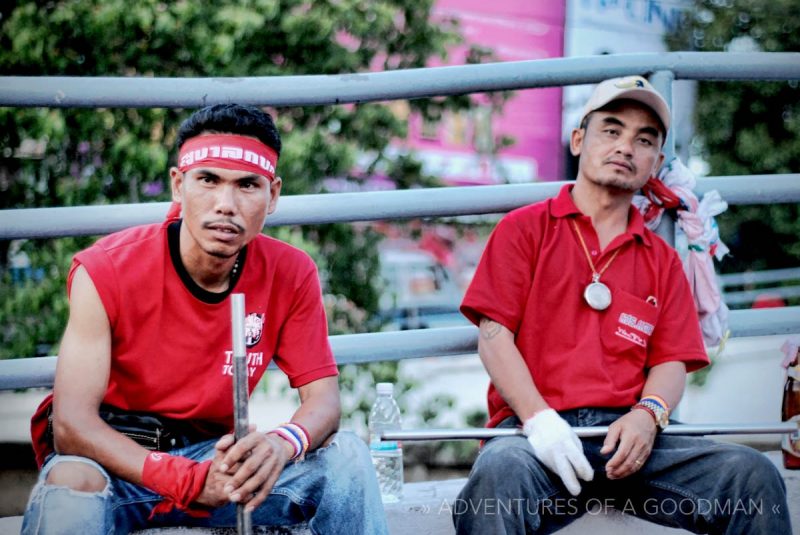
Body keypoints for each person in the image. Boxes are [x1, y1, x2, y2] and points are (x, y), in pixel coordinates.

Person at [22, 104, 388, 535]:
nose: (226, 204)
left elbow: (324, 402)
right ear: (179, 184)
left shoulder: (290, 271)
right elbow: (71, 426)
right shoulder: (107, 269)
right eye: (208, 180)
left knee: (346, 456)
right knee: (70, 482)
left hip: (218, 464)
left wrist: (279, 444)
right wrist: (184, 480)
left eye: (248, 185)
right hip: (119, 461)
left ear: (272, 197)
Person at [453, 76, 791, 534]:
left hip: (633, 438)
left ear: (654, 162)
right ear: (579, 140)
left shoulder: (662, 260)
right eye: (611, 130)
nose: (626, 146)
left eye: (644, 139)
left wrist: (647, 416)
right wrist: (539, 422)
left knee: (752, 476)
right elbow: (493, 339)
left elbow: (672, 362)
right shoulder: (524, 230)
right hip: (534, 435)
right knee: (498, 475)